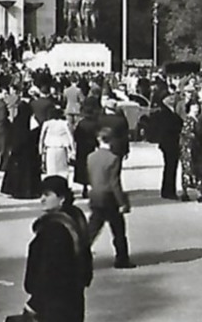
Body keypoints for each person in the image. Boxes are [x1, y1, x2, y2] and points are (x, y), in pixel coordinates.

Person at [21, 175, 93, 322]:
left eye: (47, 195)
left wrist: (34, 301)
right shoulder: (75, 221)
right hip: (73, 300)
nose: (41, 199)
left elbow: (49, 273)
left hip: (53, 305)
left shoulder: (54, 230)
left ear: (61, 199)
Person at [86, 127, 135, 268]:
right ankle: (122, 259)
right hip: (109, 198)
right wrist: (122, 202)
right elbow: (115, 183)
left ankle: (78, 253)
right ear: (112, 140)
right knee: (118, 231)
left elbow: (91, 177)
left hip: (95, 195)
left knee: (92, 229)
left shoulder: (91, 157)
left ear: (98, 140)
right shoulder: (114, 159)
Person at [1, 99, 42, 199]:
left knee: (17, 172)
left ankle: (16, 190)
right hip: (30, 152)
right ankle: (31, 191)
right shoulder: (33, 122)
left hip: (17, 152)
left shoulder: (17, 121)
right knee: (29, 172)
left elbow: (11, 136)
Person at [152, 95, 183, 200]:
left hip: (169, 143)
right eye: (170, 99)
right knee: (170, 167)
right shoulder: (165, 113)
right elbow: (170, 127)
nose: (172, 100)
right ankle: (169, 191)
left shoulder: (170, 112)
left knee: (170, 167)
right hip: (169, 143)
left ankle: (168, 190)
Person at [179, 99, 202, 202]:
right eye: (194, 106)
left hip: (198, 148)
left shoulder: (198, 119)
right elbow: (186, 134)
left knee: (199, 170)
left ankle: (199, 193)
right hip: (189, 148)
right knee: (188, 170)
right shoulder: (188, 119)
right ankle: (185, 192)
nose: (196, 108)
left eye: (197, 106)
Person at [72, 98, 100, 198]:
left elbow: (76, 135)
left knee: (82, 167)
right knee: (91, 167)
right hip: (91, 147)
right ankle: (91, 186)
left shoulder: (81, 123)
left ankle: (84, 187)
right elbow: (97, 136)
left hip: (81, 147)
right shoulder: (95, 124)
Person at [38, 109, 75, 178]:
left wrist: (40, 150)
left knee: (51, 170)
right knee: (62, 171)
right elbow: (70, 136)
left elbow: (41, 137)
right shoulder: (64, 123)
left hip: (50, 149)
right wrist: (73, 150)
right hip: (61, 148)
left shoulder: (47, 123)